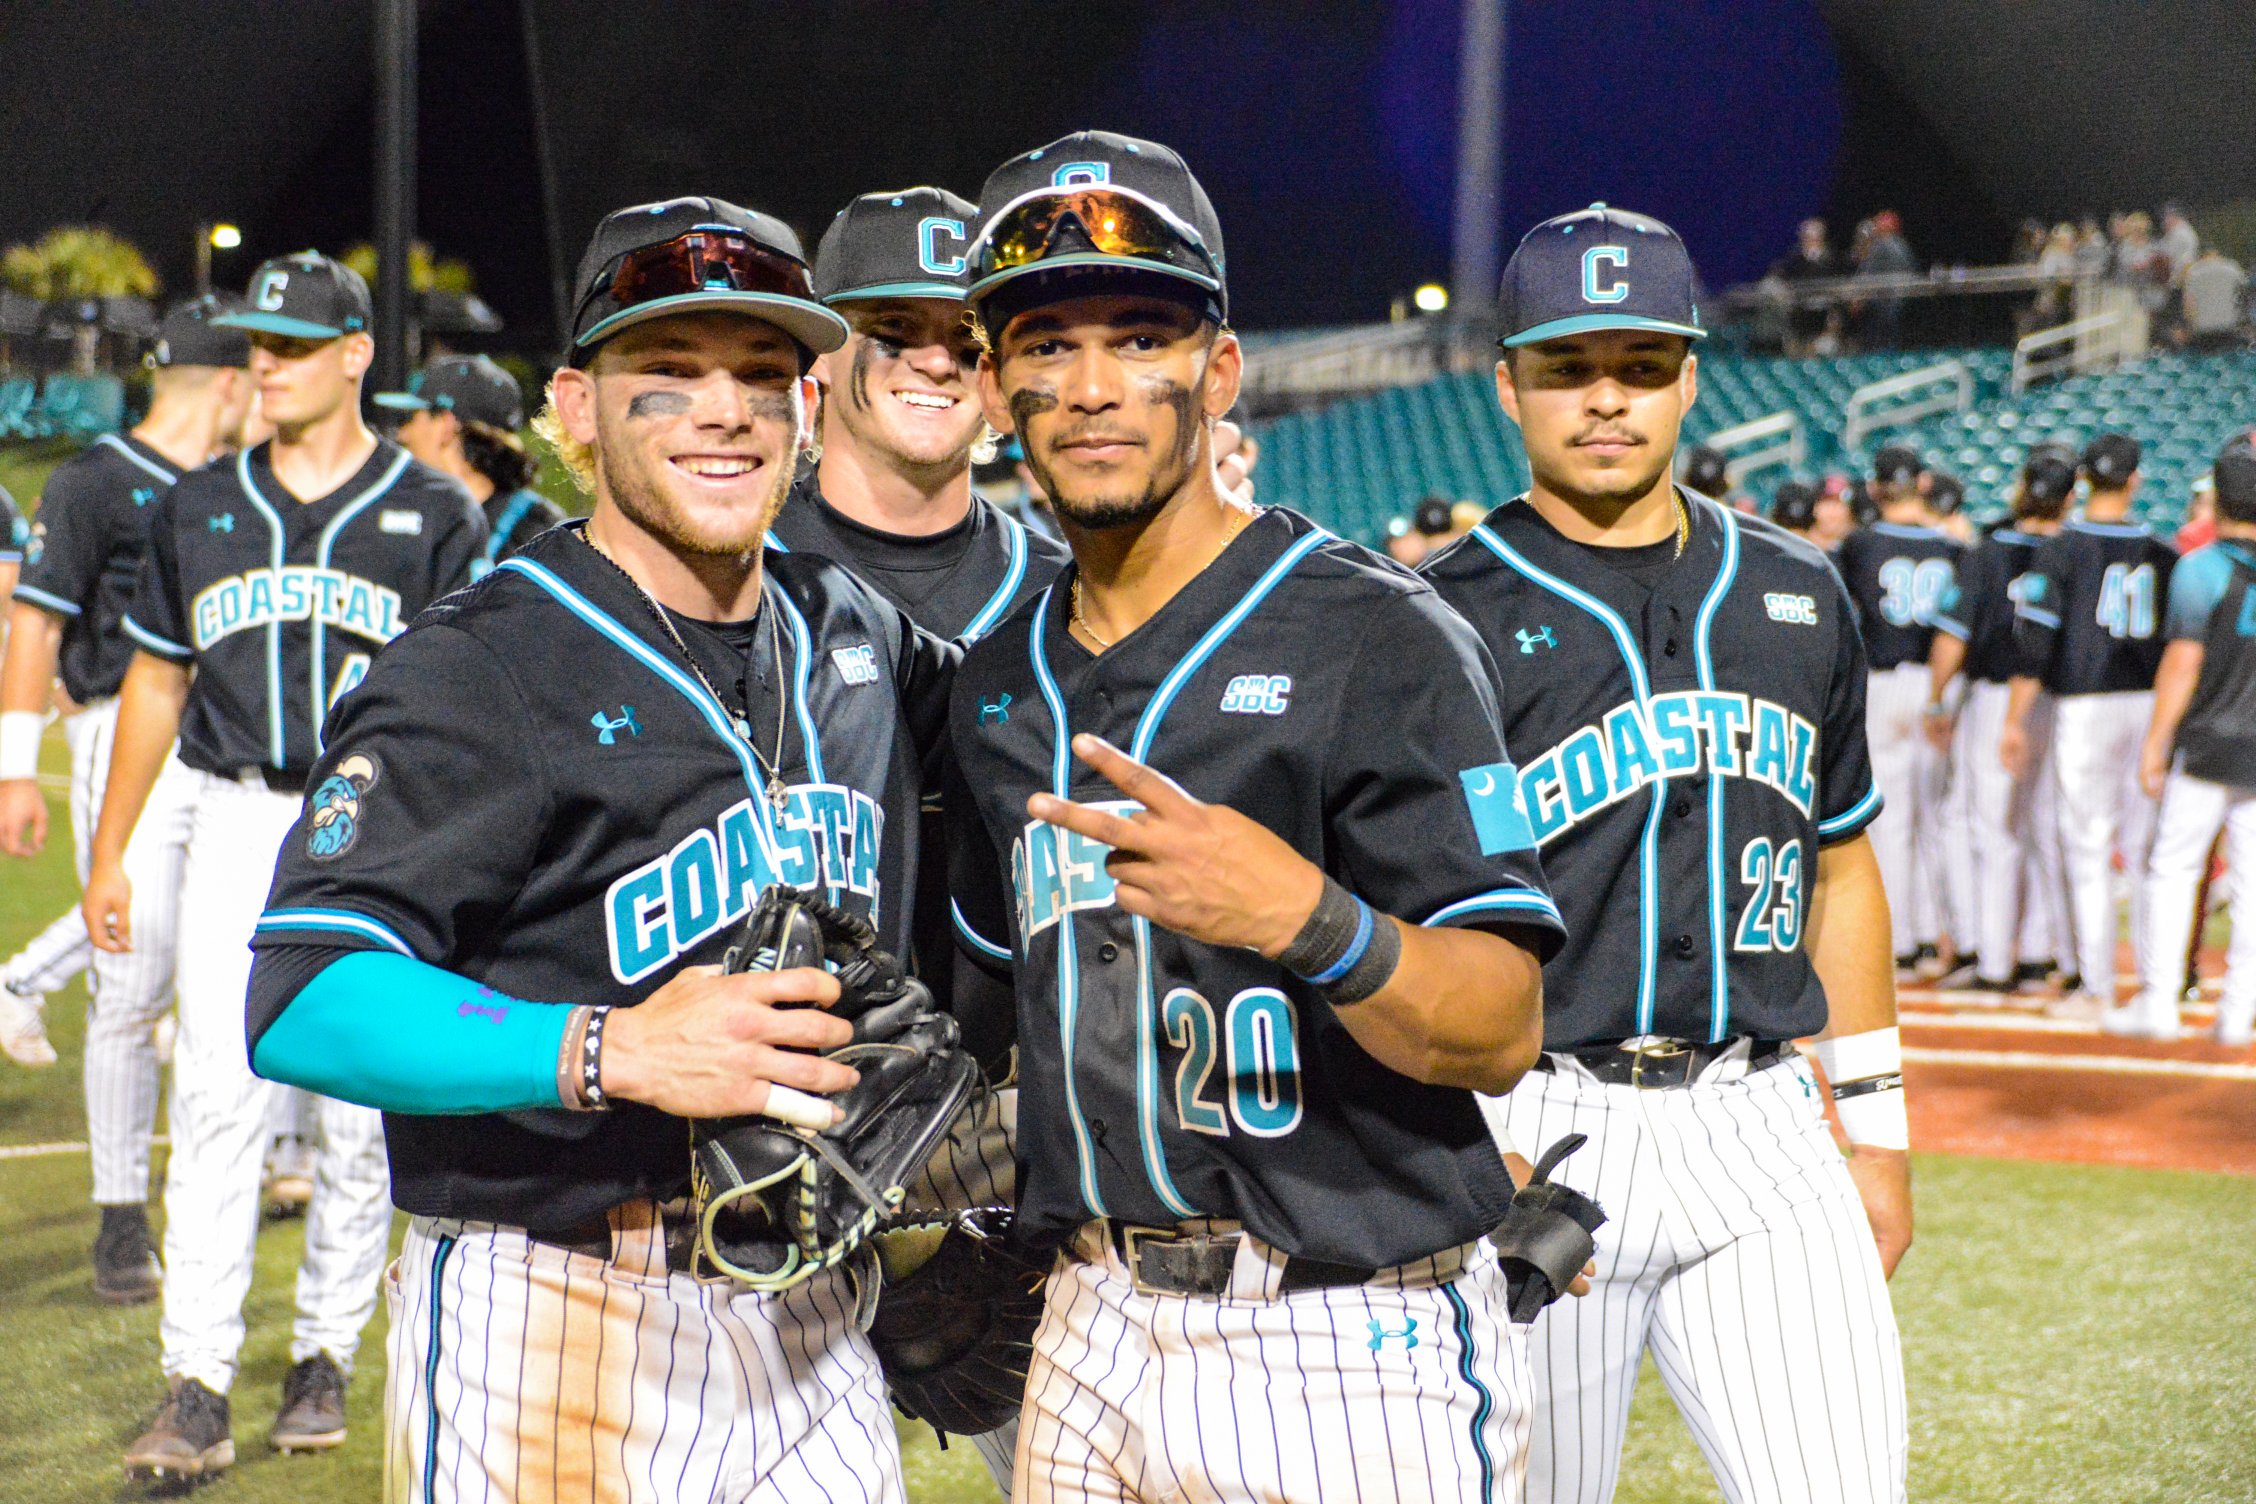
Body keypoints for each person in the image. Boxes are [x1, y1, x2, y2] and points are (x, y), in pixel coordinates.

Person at [245, 197, 955, 1502]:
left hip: (817, 1314)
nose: (724, 410)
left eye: (758, 374)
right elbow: (304, 1000)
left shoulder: (854, 630)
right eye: (668, 375)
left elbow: (1036, 733)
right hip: (559, 1311)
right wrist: (610, 1047)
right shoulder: (477, 665)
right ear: (575, 408)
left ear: (806, 405)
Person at [947, 131, 1564, 1504]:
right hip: (1092, 1316)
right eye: (1044, 344)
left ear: (1217, 371)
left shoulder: (1380, 635)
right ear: (995, 389)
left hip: (1344, 1334)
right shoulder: (1000, 687)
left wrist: (1311, 920)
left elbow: (1504, 1024)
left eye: (1140, 337)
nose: (1092, 387)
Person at [1421, 203, 1911, 1504]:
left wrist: (1880, 1135)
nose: (1606, 400)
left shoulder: (1798, 589)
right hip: (1534, 1126)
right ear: (1508, 380)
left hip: (1763, 1129)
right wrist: (1452, 1147)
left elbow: (1841, 865)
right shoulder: (1435, 617)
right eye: (1570, 366)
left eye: (1640, 366)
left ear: (1691, 376)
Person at [84, 252, 487, 1478]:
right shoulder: (199, 506)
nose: (265, 362)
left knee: (362, 1114)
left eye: (294, 344)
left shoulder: (434, 513)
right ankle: (195, 1378)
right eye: (257, 342)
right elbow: (157, 677)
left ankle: (323, 1353)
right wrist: (111, 848)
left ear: (358, 353)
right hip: (234, 813)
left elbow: (472, 702)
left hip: (378, 823)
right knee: (217, 1097)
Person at [0, 295, 256, 1298]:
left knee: (222, 987)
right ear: (231, 378)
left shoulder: (248, 488)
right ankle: (119, 1217)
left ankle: (208, 1193)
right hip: (123, 733)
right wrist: (17, 763)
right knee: (129, 983)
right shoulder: (97, 478)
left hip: (230, 743)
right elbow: (37, 627)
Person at [2002, 433, 2178, 1018]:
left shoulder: (2061, 547)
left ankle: (2096, 986)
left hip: (2085, 705)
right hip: (2147, 703)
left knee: (2086, 848)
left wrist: (2015, 719)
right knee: (2147, 851)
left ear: (2082, 484)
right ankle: (2159, 987)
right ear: (2134, 480)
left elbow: (2036, 643)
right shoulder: (2162, 551)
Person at [1926, 446, 2077, 993]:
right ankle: (2039, 953)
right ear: (2069, 495)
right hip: (2057, 702)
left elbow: (1951, 635)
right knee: (2041, 825)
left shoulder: (1988, 552)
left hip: (1995, 700)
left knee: (1989, 827)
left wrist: (1937, 697)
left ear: (2021, 488)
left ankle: (1991, 960)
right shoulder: (2074, 551)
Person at [2126, 439, 2256, 1045]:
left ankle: (2160, 1002)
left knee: (2173, 870)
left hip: (2205, 746)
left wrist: (2156, 741)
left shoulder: (2199, 567)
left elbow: (2181, 664)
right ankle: (2237, 1013)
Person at [1835, 444, 1965, 976]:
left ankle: (1902, 942)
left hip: (1884, 682)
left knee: (1891, 820)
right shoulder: (1955, 547)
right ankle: (1945, 938)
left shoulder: (1859, 545)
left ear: (1874, 489)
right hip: (1940, 682)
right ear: (1926, 484)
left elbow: (1844, 620)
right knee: (1939, 817)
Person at [378, 353, 565, 564]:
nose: (403, 434)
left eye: (411, 419)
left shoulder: (538, 537)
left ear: (445, 425)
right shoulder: (545, 532)